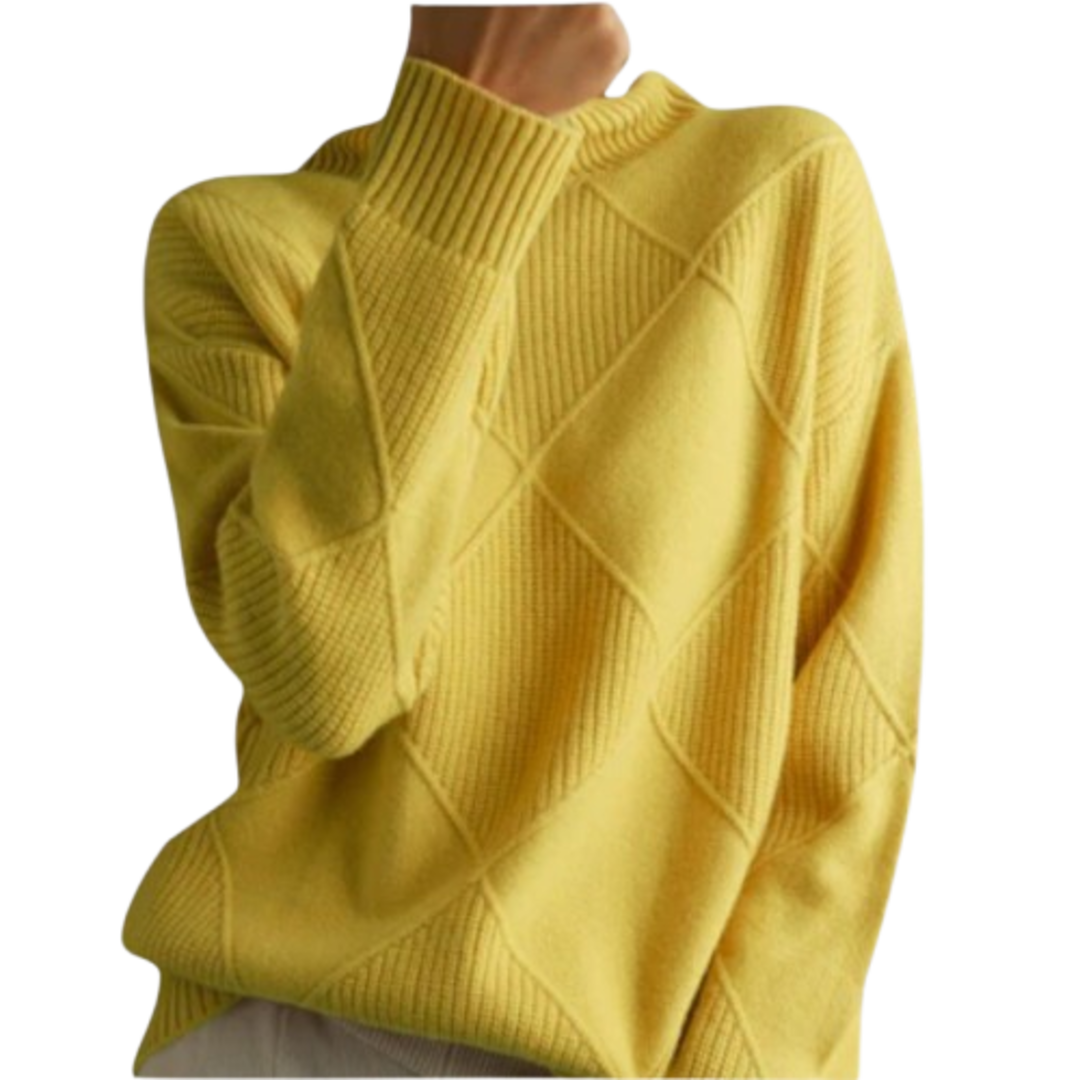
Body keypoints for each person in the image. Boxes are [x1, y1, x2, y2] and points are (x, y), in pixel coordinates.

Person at [121, 2, 927, 1077]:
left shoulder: (780, 185)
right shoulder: (234, 240)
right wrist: (466, 137)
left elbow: (850, 727)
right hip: (286, 1033)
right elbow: (328, 678)